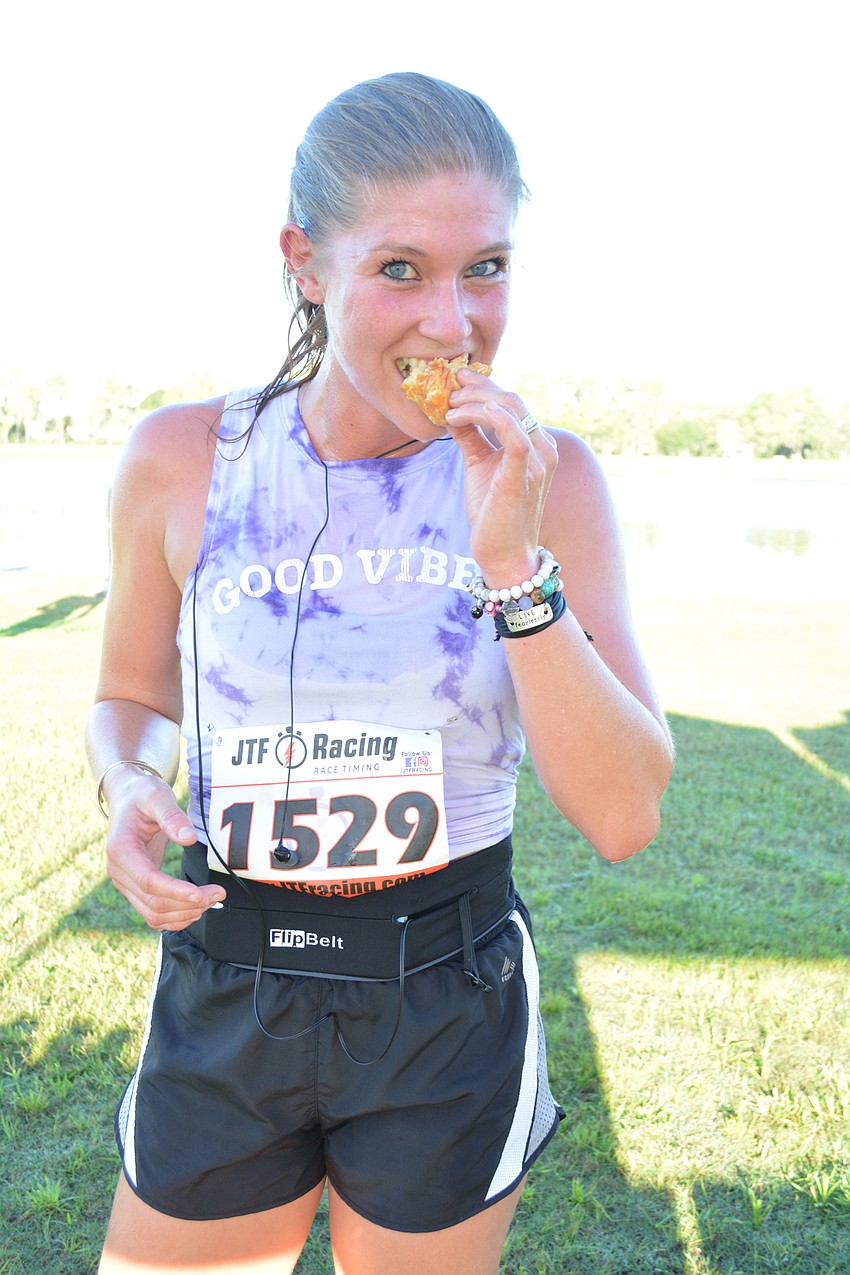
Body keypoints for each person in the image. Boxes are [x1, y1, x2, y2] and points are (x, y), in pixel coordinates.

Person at [86, 71, 674, 1275]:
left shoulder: (548, 478)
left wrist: (509, 564)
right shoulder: (184, 457)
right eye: (400, 269)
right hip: (229, 969)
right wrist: (129, 782)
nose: (454, 325)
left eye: (486, 268)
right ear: (305, 263)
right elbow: (132, 697)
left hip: (444, 990)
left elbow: (623, 816)